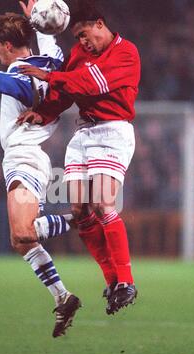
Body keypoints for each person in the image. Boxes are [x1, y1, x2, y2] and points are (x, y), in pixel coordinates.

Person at [0, 1, 81, 338]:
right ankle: (63, 296)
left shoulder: (20, 70)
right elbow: (51, 43)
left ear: (8, 45)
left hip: (25, 156)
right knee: (20, 240)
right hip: (24, 157)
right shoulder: (51, 60)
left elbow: (19, 87)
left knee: (25, 233)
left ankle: (82, 219)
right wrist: (36, 21)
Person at [17, 0, 141, 315]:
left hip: (113, 132)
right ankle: (113, 281)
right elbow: (66, 94)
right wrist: (41, 113)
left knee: (102, 203)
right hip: (84, 133)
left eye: (85, 34)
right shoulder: (79, 54)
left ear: (100, 24)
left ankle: (127, 281)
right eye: (78, 38)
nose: (83, 42)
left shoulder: (127, 53)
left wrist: (49, 76)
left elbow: (92, 83)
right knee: (80, 210)